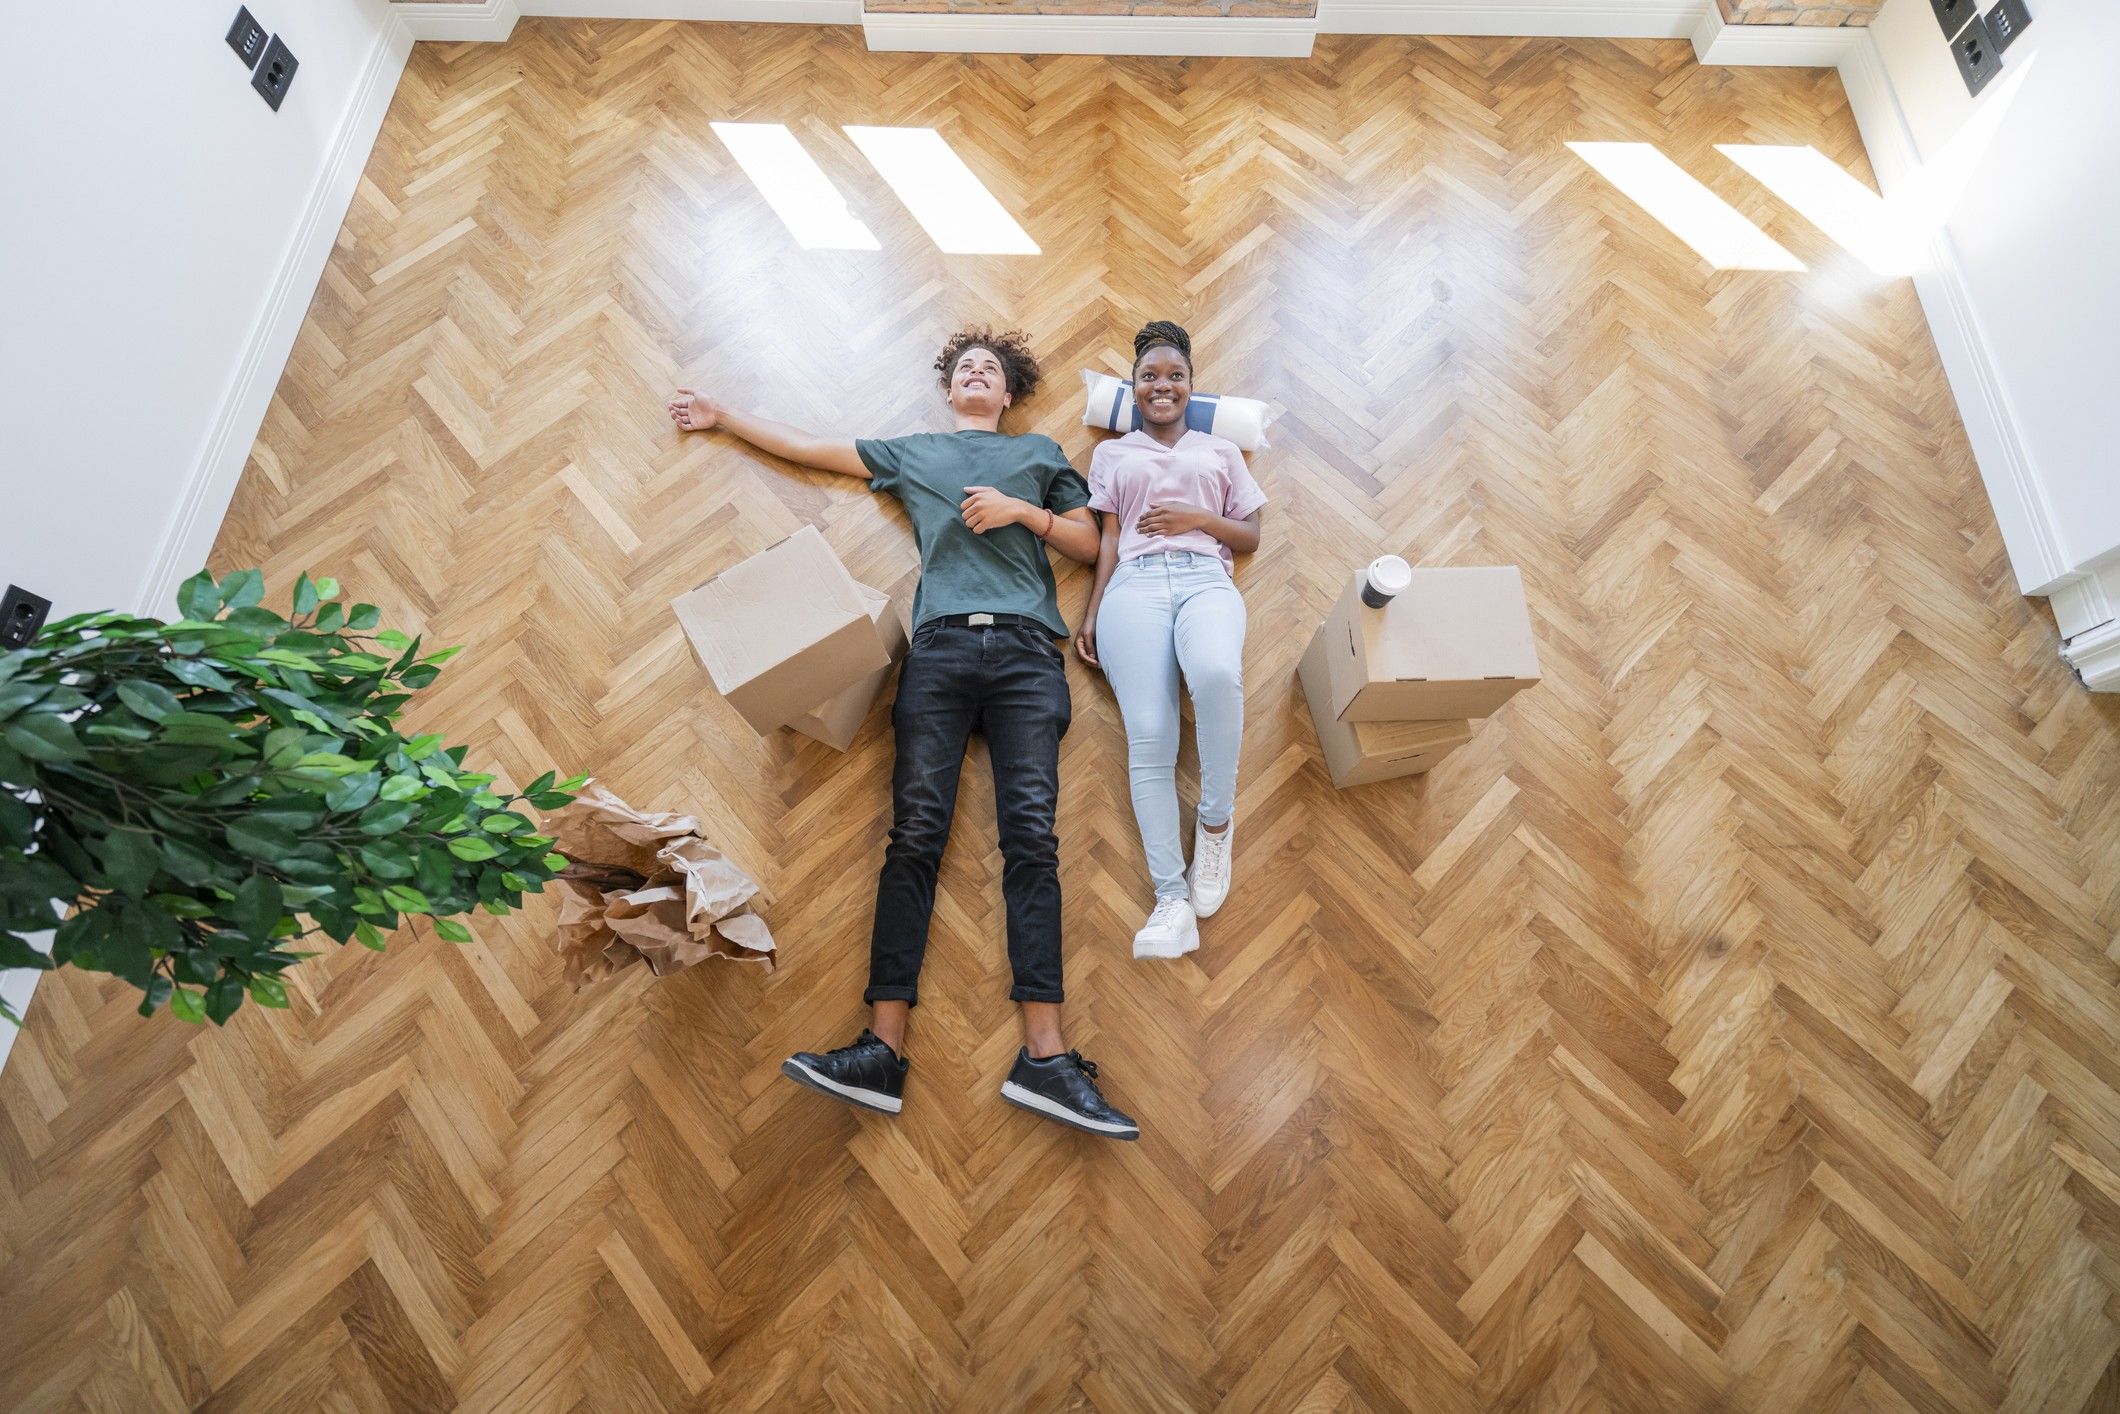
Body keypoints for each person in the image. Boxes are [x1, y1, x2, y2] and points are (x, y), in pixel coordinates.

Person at [667, 328, 1140, 1140]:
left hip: (1030, 653)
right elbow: (814, 449)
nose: (978, 373)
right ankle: (881, 1050)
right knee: (914, 836)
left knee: (1032, 841)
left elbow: (1092, 541)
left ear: (1009, 389)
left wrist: (1023, 511)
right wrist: (724, 416)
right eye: (965, 368)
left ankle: (1047, 1059)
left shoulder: (1037, 450)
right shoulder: (915, 453)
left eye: (991, 367)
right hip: (943, 651)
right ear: (951, 390)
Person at [1074, 322, 1265, 959]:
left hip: (1205, 576)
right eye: (1149, 376)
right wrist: (1093, 611)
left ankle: (1215, 821)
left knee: (1215, 674)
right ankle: (1169, 900)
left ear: (1190, 385)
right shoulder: (1111, 455)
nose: (1163, 385)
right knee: (1150, 735)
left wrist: (1196, 519)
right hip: (1132, 588)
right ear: (1134, 387)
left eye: (1174, 376)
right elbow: (1106, 540)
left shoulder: (1221, 451)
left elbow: (1251, 535)